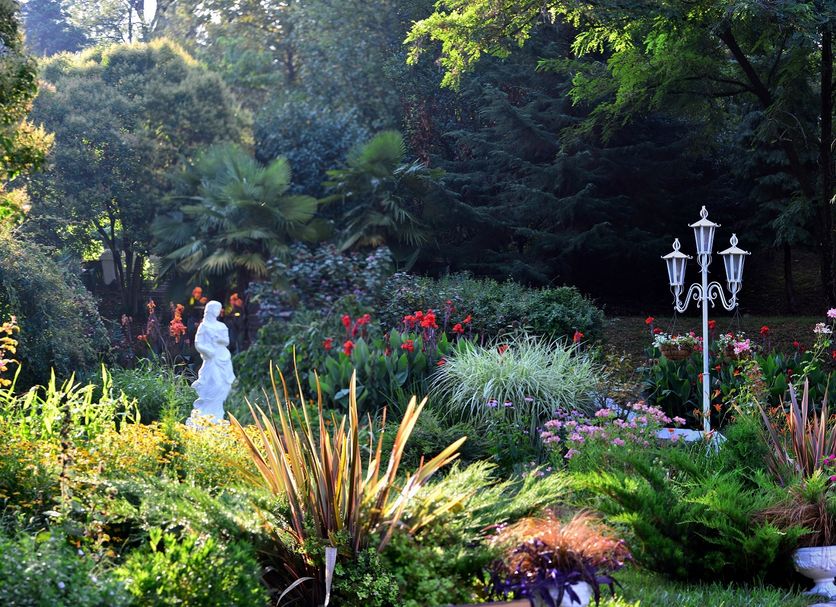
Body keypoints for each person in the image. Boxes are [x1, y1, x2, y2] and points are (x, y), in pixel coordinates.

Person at [190, 300, 235, 422]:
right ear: (209, 310)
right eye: (216, 309)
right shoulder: (204, 326)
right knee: (215, 384)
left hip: (223, 357)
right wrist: (207, 351)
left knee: (225, 386)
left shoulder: (222, 326)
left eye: (219, 309)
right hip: (211, 358)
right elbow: (198, 343)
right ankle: (205, 413)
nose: (218, 311)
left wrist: (218, 339)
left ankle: (217, 414)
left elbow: (226, 341)